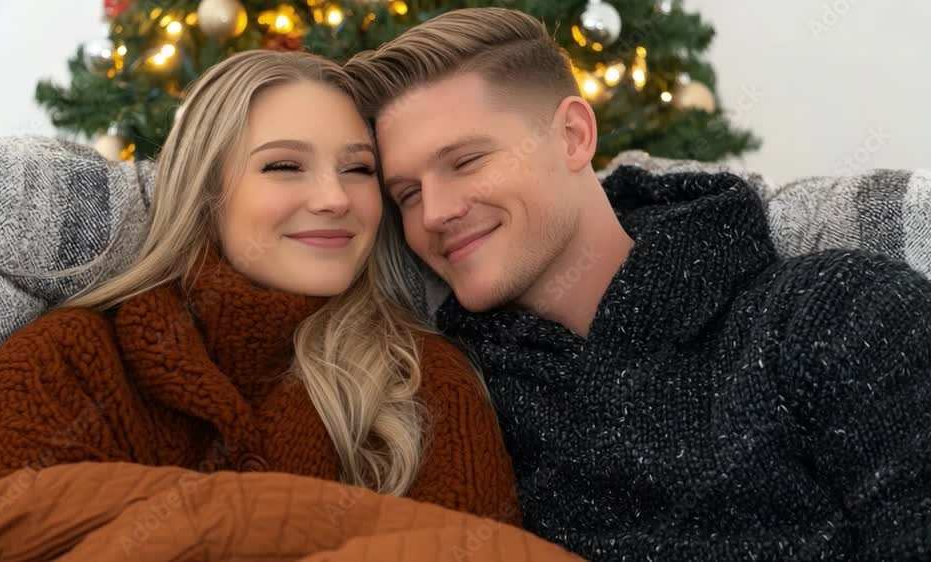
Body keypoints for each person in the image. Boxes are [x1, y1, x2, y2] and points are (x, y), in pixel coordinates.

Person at [344, 7, 931, 560]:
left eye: (466, 161)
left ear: (573, 135)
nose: (434, 214)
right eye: (408, 194)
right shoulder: (445, 403)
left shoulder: (838, 312)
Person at [0, 50, 521, 526]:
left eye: (358, 169)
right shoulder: (62, 366)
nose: (335, 199)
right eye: (284, 166)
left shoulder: (423, 383)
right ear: (206, 192)